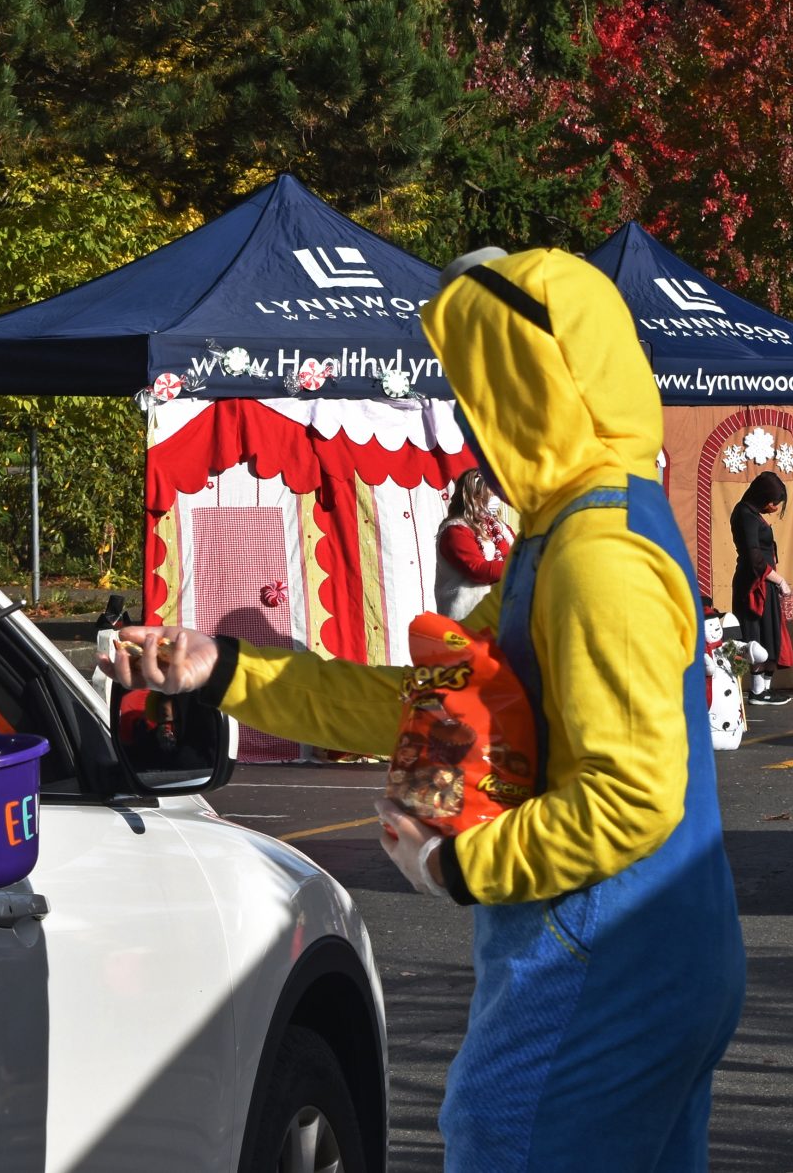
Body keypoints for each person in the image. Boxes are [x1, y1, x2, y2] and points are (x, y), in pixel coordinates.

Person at [102, 247, 744, 1172]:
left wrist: (462, 866)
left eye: (479, 384)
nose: (467, 416)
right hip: (655, 954)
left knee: (501, 1141)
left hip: (601, 963)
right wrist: (228, 668)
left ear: (531, 383)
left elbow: (634, 798)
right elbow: (426, 707)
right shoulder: (581, 528)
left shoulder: (595, 554)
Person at [730, 470, 793, 705]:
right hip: (753, 586)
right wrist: (780, 580)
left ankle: (765, 689)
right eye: (773, 502)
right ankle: (757, 692)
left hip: (765, 585)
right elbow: (753, 557)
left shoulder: (753, 514)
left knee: (770, 634)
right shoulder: (745, 515)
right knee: (755, 636)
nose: (774, 507)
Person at [433, 466, 513, 614]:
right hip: (467, 616)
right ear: (472, 497)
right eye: (490, 494)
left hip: (498, 613)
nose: (496, 498)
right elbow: (477, 569)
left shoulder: (499, 527)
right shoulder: (455, 531)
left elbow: (517, 552)